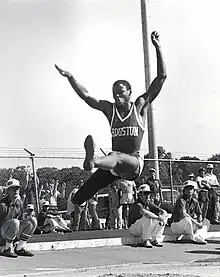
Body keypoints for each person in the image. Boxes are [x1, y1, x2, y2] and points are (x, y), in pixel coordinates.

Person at [55, 31, 167, 205]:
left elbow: (161, 78)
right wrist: (70, 77)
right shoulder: (110, 109)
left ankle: (93, 161)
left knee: (115, 156)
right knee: (80, 197)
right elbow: (86, 96)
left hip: (133, 164)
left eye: (121, 92)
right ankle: (90, 168)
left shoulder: (140, 106)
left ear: (130, 92)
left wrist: (158, 47)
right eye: (114, 93)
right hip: (114, 166)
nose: (117, 96)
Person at [0, 179, 37, 258]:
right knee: (15, 222)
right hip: (2, 234)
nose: (15, 191)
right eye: (13, 188)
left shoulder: (19, 203)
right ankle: (7, 249)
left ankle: (20, 248)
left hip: (12, 232)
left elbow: (21, 220)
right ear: (7, 191)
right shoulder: (2, 205)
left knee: (32, 221)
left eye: (17, 188)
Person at [170, 180, 210, 244]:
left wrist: (200, 221)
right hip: (177, 225)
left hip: (188, 225)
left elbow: (199, 213)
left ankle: (199, 236)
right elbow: (184, 214)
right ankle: (193, 238)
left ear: (193, 190)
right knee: (187, 219)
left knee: (206, 222)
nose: (189, 190)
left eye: (191, 189)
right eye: (187, 189)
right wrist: (197, 223)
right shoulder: (180, 200)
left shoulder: (195, 201)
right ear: (184, 190)